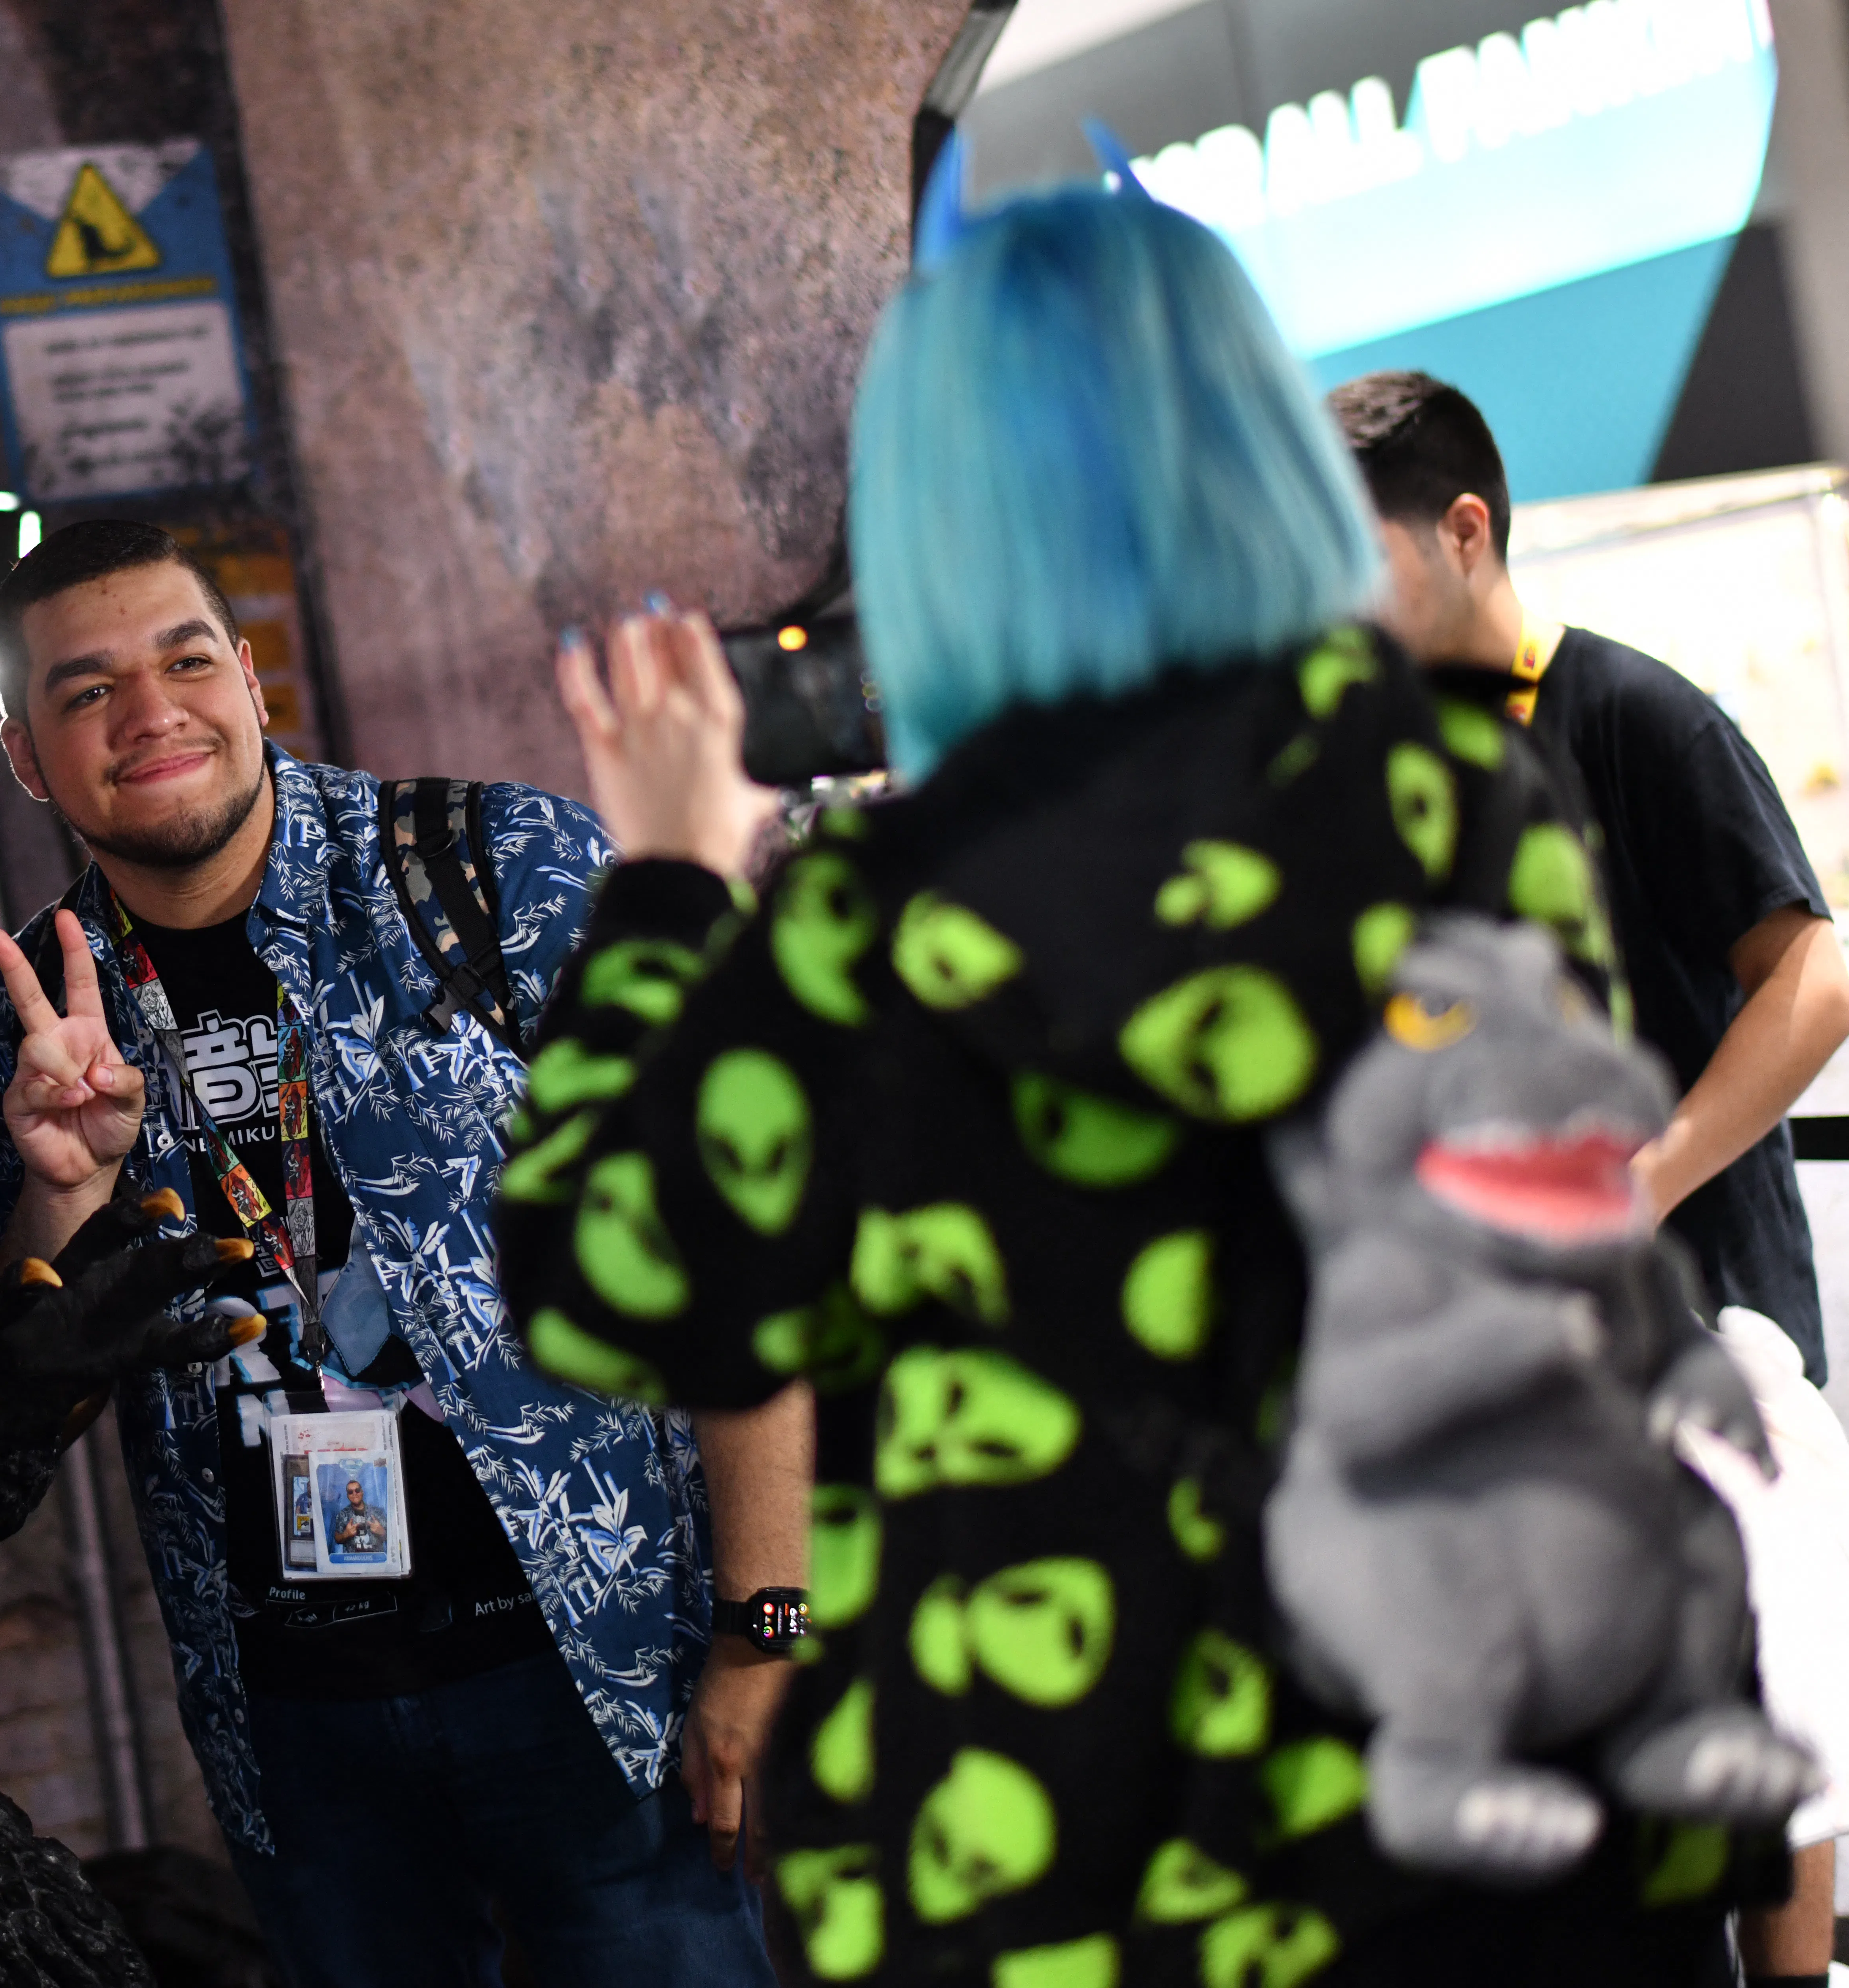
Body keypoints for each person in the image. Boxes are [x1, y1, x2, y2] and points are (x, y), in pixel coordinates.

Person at [494, 183, 1780, 1983]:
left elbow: (613, 1283)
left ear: (942, 517)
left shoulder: (880, 918)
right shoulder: (1461, 804)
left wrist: (666, 886)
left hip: (1072, 1830)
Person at [0, 519, 794, 1988]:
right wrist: (60, 1195)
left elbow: (736, 1236)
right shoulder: (25, 1025)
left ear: (247, 676)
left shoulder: (496, 868)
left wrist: (764, 1622)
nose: (150, 715)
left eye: (185, 661)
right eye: (86, 692)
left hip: (596, 1668)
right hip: (298, 1729)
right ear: (25, 755)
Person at [1329, 368, 1849, 1988]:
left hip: (1706, 1327)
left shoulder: (1631, 715)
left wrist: (1657, 1175)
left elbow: (1815, 974)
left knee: (1767, 1704)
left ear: (1462, 530)